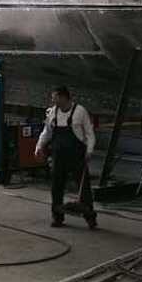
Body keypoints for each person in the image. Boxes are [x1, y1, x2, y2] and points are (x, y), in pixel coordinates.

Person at [37, 85, 97, 230]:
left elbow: (89, 133)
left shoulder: (80, 111)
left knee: (84, 188)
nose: (53, 100)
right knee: (56, 186)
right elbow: (47, 132)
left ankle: (90, 217)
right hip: (59, 156)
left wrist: (89, 150)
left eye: (55, 97)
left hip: (77, 156)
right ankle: (57, 217)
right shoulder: (53, 112)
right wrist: (39, 146)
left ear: (63, 97)